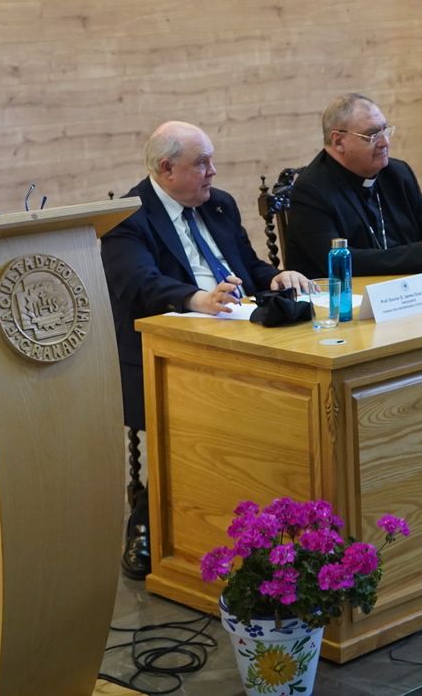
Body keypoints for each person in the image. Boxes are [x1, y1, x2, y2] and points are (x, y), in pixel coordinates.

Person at [100, 122, 313, 579]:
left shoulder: (219, 204)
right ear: (166, 168)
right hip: (163, 352)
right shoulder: (127, 216)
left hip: (241, 333)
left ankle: (264, 502)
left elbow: (248, 266)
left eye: (211, 160)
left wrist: (275, 277)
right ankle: (150, 515)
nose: (212, 172)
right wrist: (198, 299)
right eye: (201, 164)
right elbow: (138, 284)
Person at [283, 94, 422, 277]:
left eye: (385, 130)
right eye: (372, 135)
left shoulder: (397, 173)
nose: (385, 142)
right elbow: (339, 261)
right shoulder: (312, 190)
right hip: (342, 301)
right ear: (338, 141)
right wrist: (420, 256)